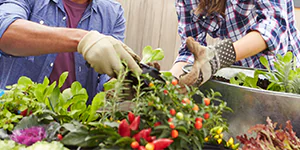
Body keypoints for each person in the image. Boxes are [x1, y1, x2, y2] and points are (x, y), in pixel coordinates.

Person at [0, 0, 142, 103]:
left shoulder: (113, 12)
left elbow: (104, 77)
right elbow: (5, 31)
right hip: (17, 123)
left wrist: (118, 85)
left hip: (74, 130)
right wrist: (82, 40)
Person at [171, 0, 300, 86]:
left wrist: (219, 56)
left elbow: (274, 26)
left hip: (286, 81)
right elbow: (190, 52)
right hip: (242, 81)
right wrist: (169, 83)